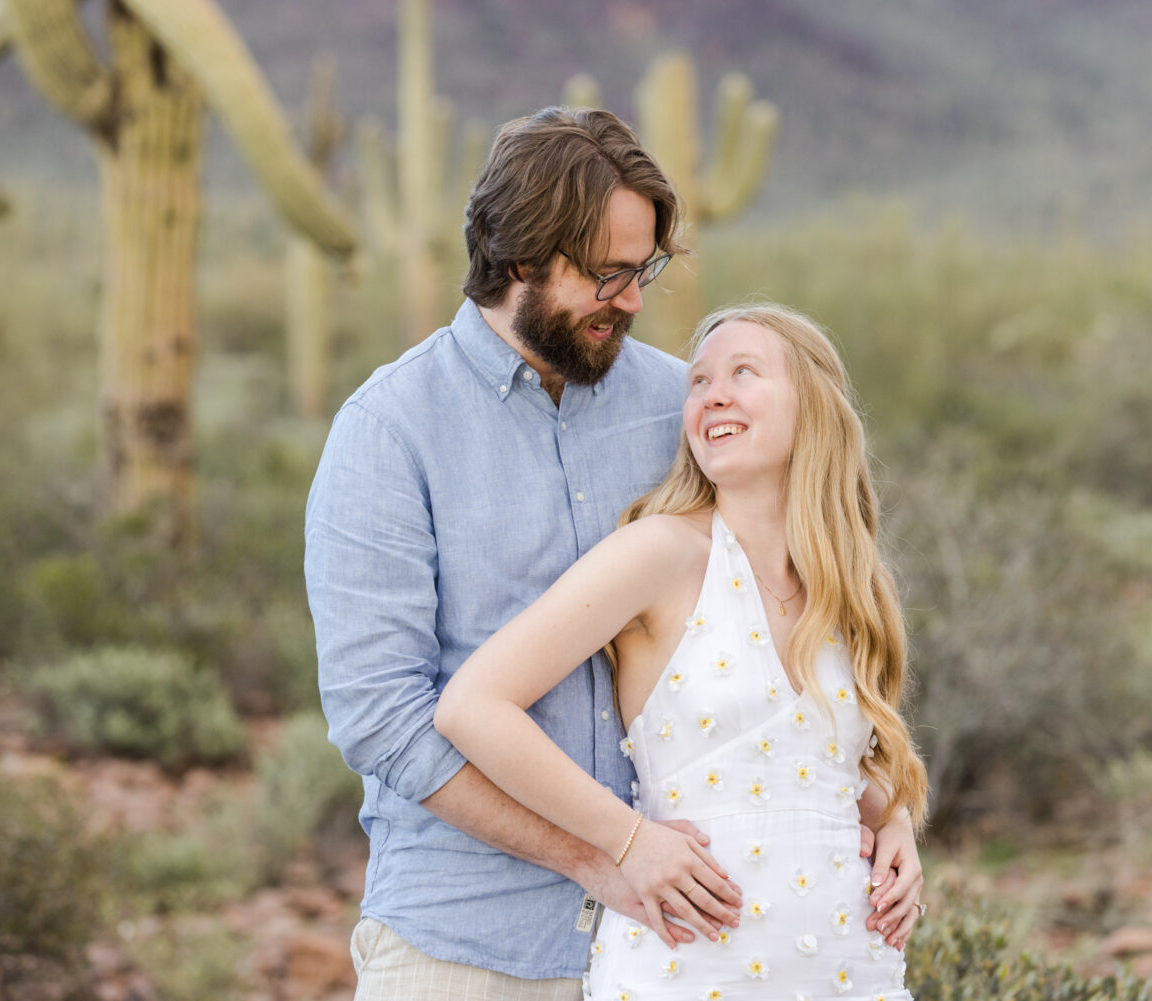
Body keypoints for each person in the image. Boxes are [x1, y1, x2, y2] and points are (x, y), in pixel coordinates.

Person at [306, 105, 922, 1001]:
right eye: (609, 275)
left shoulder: (685, 409)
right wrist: (606, 852)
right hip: (468, 946)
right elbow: (382, 718)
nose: (634, 300)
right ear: (520, 259)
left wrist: (882, 811)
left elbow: (784, 641)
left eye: (647, 272)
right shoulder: (388, 431)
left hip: (679, 947)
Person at [435, 301, 928, 1001]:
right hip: (690, 968)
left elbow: (826, 764)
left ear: (814, 405)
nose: (712, 393)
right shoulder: (660, 553)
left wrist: (895, 822)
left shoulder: (848, 584)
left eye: (744, 372)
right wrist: (628, 839)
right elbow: (472, 706)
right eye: (699, 381)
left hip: (851, 971)